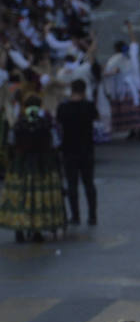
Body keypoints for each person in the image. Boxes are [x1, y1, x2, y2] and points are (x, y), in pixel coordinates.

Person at [0, 97, 66, 241]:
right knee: (39, 199)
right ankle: (37, 230)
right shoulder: (46, 124)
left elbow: (10, 144)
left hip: (21, 167)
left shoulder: (18, 125)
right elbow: (55, 145)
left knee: (21, 198)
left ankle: (20, 229)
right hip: (42, 167)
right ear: (39, 106)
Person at [56, 79, 99, 222]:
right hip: (86, 149)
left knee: (72, 184)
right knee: (89, 183)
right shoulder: (89, 106)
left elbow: (59, 122)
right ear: (84, 91)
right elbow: (96, 118)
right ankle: (92, 215)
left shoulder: (64, 108)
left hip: (69, 149)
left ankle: (75, 215)